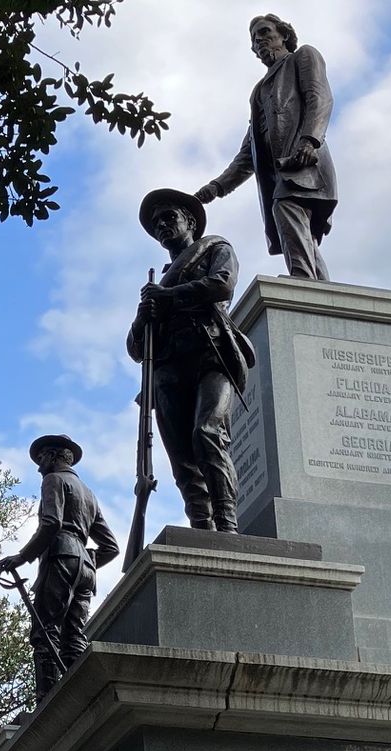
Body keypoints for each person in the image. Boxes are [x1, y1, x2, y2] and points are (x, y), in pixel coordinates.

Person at [127, 188, 257, 533]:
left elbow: (222, 285)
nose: (162, 226)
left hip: (210, 355)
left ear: (190, 221)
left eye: (169, 217)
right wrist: (143, 317)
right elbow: (136, 348)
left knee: (207, 431)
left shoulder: (215, 249)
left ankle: (227, 523)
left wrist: (169, 297)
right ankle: (201, 525)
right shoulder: (157, 288)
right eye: (156, 223)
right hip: (169, 370)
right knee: (181, 456)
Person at [195, 13, 338, 280]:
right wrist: (216, 187)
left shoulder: (302, 57)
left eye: (264, 32)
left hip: (305, 161)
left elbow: (319, 98)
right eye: (254, 38)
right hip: (280, 173)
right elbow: (250, 151)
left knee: (285, 207)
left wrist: (310, 140)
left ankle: (303, 280)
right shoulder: (259, 91)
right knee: (301, 232)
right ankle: (322, 289)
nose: (258, 41)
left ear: (283, 34)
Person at [0, 434, 119, 698]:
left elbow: (51, 523)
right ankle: (82, 699)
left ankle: (46, 701)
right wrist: (84, 560)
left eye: (41, 459)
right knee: (74, 638)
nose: (39, 466)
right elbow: (111, 547)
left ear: (53, 457)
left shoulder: (53, 480)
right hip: (86, 569)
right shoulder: (89, 493)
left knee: (45, 632)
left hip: (59, 558)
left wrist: (22, 557)